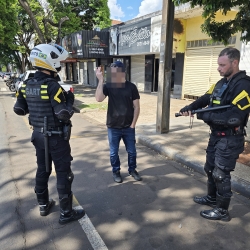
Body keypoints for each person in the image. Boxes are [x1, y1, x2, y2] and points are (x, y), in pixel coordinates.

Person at [13, 43, 85, 225]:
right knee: (63, 173)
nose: (60, 65)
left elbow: (19, 109)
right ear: (49, 62)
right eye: (58, 62)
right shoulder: (52, 86)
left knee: (43, 170)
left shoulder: (26, 84)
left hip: (38, 136)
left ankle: (43, 205)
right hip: (56, 137)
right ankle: (66, 213)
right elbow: (63, 113)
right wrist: (69, 99)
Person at [179, 47, 250, 221]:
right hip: (216, 136)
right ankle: (212, 198)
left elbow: (234, 118)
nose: (218, 68)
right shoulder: (221, 82)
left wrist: (202, 114)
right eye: (218, 64)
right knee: (209, 169)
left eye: (222, 65)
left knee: (220, 174)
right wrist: (191, 107)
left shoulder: (244, 85)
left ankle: (222, 211)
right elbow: (206, 97)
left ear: (234, 62)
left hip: (230, 139)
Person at [95, 61, 141, 183]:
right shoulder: (109, 86)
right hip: (113, 127)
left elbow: (136, 107)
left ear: (123, 73)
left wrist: (133, 125)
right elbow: (99, 99)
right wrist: (100, 80)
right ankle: (116, 171)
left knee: (132, 151)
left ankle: (132, 170)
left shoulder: (131, 87)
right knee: (113, 153)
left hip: (128, 127)